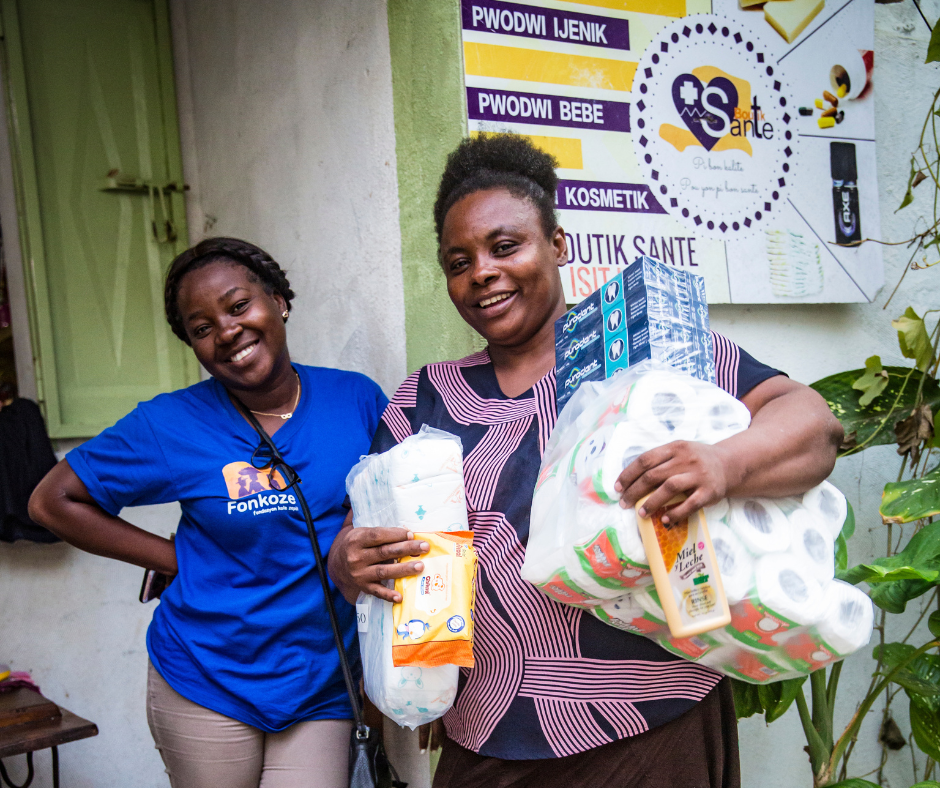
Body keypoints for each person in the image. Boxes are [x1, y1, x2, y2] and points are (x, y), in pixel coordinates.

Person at [327, 135, 843, 788]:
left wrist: (723, 463)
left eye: (504, 246)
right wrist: (349, 563)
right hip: (486, 734)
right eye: (460, 262)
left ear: (557, 244)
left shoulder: (641, 350)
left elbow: (814, 426)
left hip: (653, 723)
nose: (482, 271)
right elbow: (361, 545)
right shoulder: (426, 397)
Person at [29, 238, 388, 788]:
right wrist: (173, 558)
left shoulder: (356, 399)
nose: (226, 331)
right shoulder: (170, 424)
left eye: (239, 306)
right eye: (202, 328)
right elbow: (51, 501)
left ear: (278, 301)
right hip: (207, 676)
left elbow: (386, 509)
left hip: (322, 679)